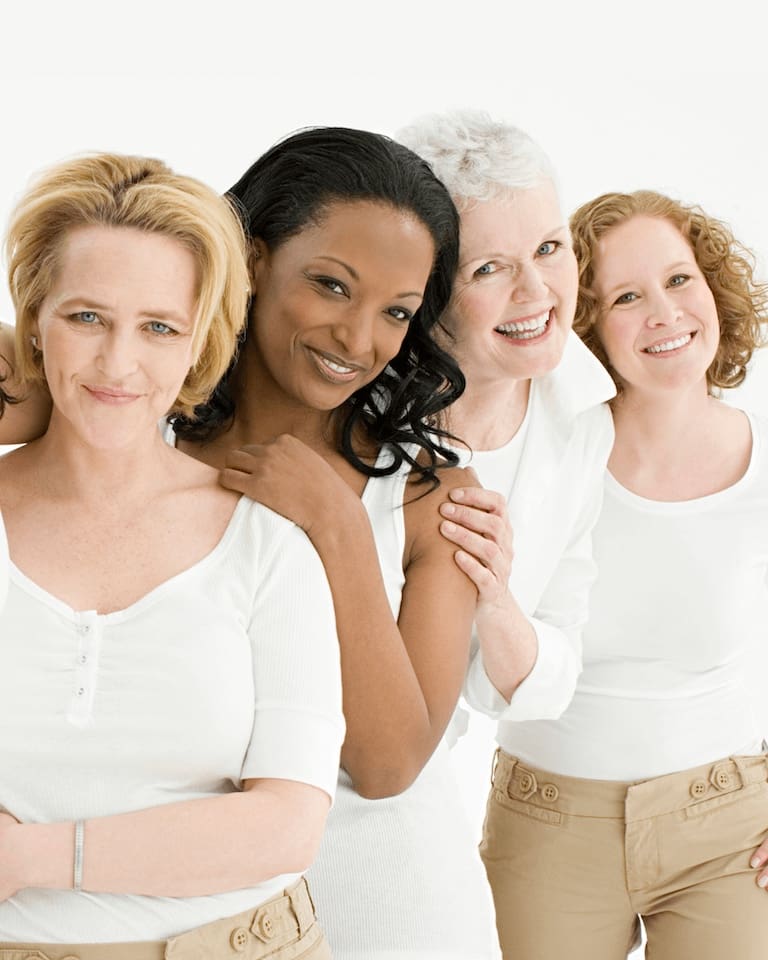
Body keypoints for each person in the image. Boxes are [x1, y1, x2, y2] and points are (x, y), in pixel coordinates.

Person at [169, 126, 502, 959]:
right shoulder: (143, 447)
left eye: (396, 312)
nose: (359, 340)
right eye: (330, 285)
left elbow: (387, 766)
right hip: (186, 917)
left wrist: (340, 528)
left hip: (397, 918)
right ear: (248, 259)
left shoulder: (432, 498)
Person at [0, 152, 344, 957]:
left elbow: (288, 826)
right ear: (34, 318)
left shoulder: (266, 546)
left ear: (199, 346)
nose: (119, 364)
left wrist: (29, 857)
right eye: (86, 318)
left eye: (158, 327)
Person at [474, 186, 768, 959]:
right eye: (626, 297)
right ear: (590, 330)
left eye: (679, 280)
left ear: (713, 287)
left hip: (730, 834)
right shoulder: (547, 452)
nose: (664, 313)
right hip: (548, 823)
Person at [397, 110, 617, 954]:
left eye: (551, 250)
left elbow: (541, 673)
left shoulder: (581, 414)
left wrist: (495, 598)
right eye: (492, 268)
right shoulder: (359, 405)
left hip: (411, 772)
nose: (538, 295)